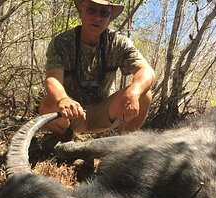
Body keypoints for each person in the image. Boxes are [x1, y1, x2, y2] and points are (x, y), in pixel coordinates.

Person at [39, 0, 155, 137]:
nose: (97, 17)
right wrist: (63, 99)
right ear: (81, 11)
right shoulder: (62, 42)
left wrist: (134, 92)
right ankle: (63, 138)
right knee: (48, 103)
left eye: (104, 13)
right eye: (91, 10)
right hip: (70, 113)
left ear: (110, 18)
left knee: (144, 95)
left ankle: (120, 145)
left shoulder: (118, 42)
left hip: (105, 113)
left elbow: (147, 71)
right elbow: (52, 79)